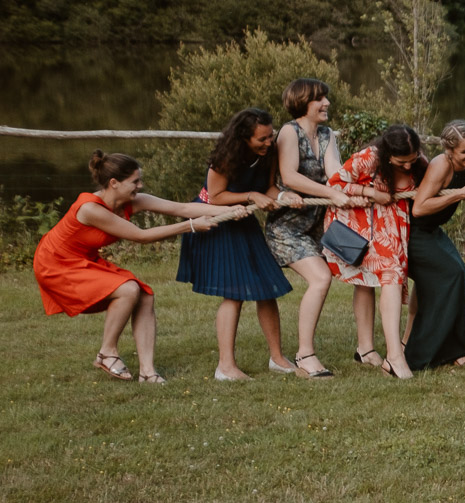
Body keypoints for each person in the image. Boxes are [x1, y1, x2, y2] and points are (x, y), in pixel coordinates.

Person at [35, 150, 241, 383]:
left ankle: (147, 372)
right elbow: (141, 236)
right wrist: (190, 227)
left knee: (143, 295)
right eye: (135, 181)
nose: (140, 186)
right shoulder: (91, 209)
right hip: (56, 263)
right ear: (114, 183)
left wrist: (230, 211)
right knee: (128, 289)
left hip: (82, 259)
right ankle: (107, 352)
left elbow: (182, 209)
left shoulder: (132, 201)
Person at [178, 107, 294, 379]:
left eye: (270, 136)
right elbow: (215, 197)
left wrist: (284, 197)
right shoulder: (224, 157)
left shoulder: (270, 152)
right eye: (261, 139)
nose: (268, 143)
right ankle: (226, 367)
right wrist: (252, 196)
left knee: (267, 287)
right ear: (244, 137)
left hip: (244, 219)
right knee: (235, 291)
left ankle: (277, 358)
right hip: (216, 219)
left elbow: (269, 188)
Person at [323, 123, 427, 379]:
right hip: (361, 225)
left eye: (411, 160)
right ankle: (392, 356)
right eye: (401, 161)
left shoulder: (418, 161)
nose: (407, 166)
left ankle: (366, 350)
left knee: (374, 280)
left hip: (391, 225)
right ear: (387, 154)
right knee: (385, 278)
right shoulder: (368, 158)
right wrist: (369, 191)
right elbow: (334, 185)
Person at [265, 78, 348, 377]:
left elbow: (334, 173)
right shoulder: (289, 132)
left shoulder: (327, 134)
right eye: (320, 99)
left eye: (326, 98)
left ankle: (367, 349)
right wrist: (332, 195)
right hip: (285, 227)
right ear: (303, 103)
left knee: (354, 267)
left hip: (317, 225)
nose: (326, 103)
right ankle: (305, 355)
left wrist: (352, 191)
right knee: (321, 278)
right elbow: (290, 176)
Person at [403, 119, 465, 371]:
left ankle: (456, 349)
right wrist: (460, 193)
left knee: (460, 274)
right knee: (450, 275)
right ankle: (420, 353)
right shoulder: (440, 165)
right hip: (415, 231)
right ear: (449, 151)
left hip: (432, 230)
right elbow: (418, 208)